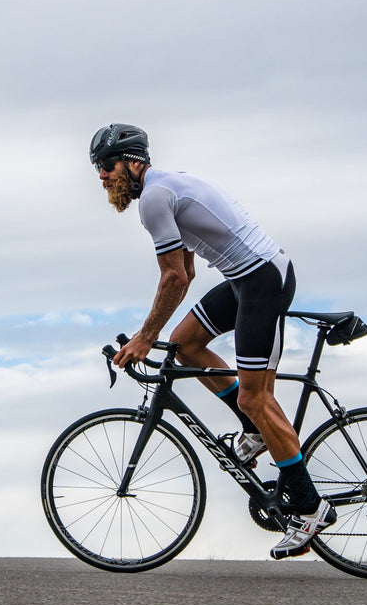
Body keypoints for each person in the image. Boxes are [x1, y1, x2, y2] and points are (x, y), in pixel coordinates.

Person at [90, 123, 335, 559]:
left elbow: (173, 276)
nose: (103, 176)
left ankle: (309, 506)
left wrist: (146, 339)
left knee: (256, 400)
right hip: (243, 279)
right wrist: (156, 335)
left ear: (132, 161)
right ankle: (255, 432)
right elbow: (183, 276)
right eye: (97, 169)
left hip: (262, 279)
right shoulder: (163, 191)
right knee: (184, 344)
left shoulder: (154, 198)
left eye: (107, 166)